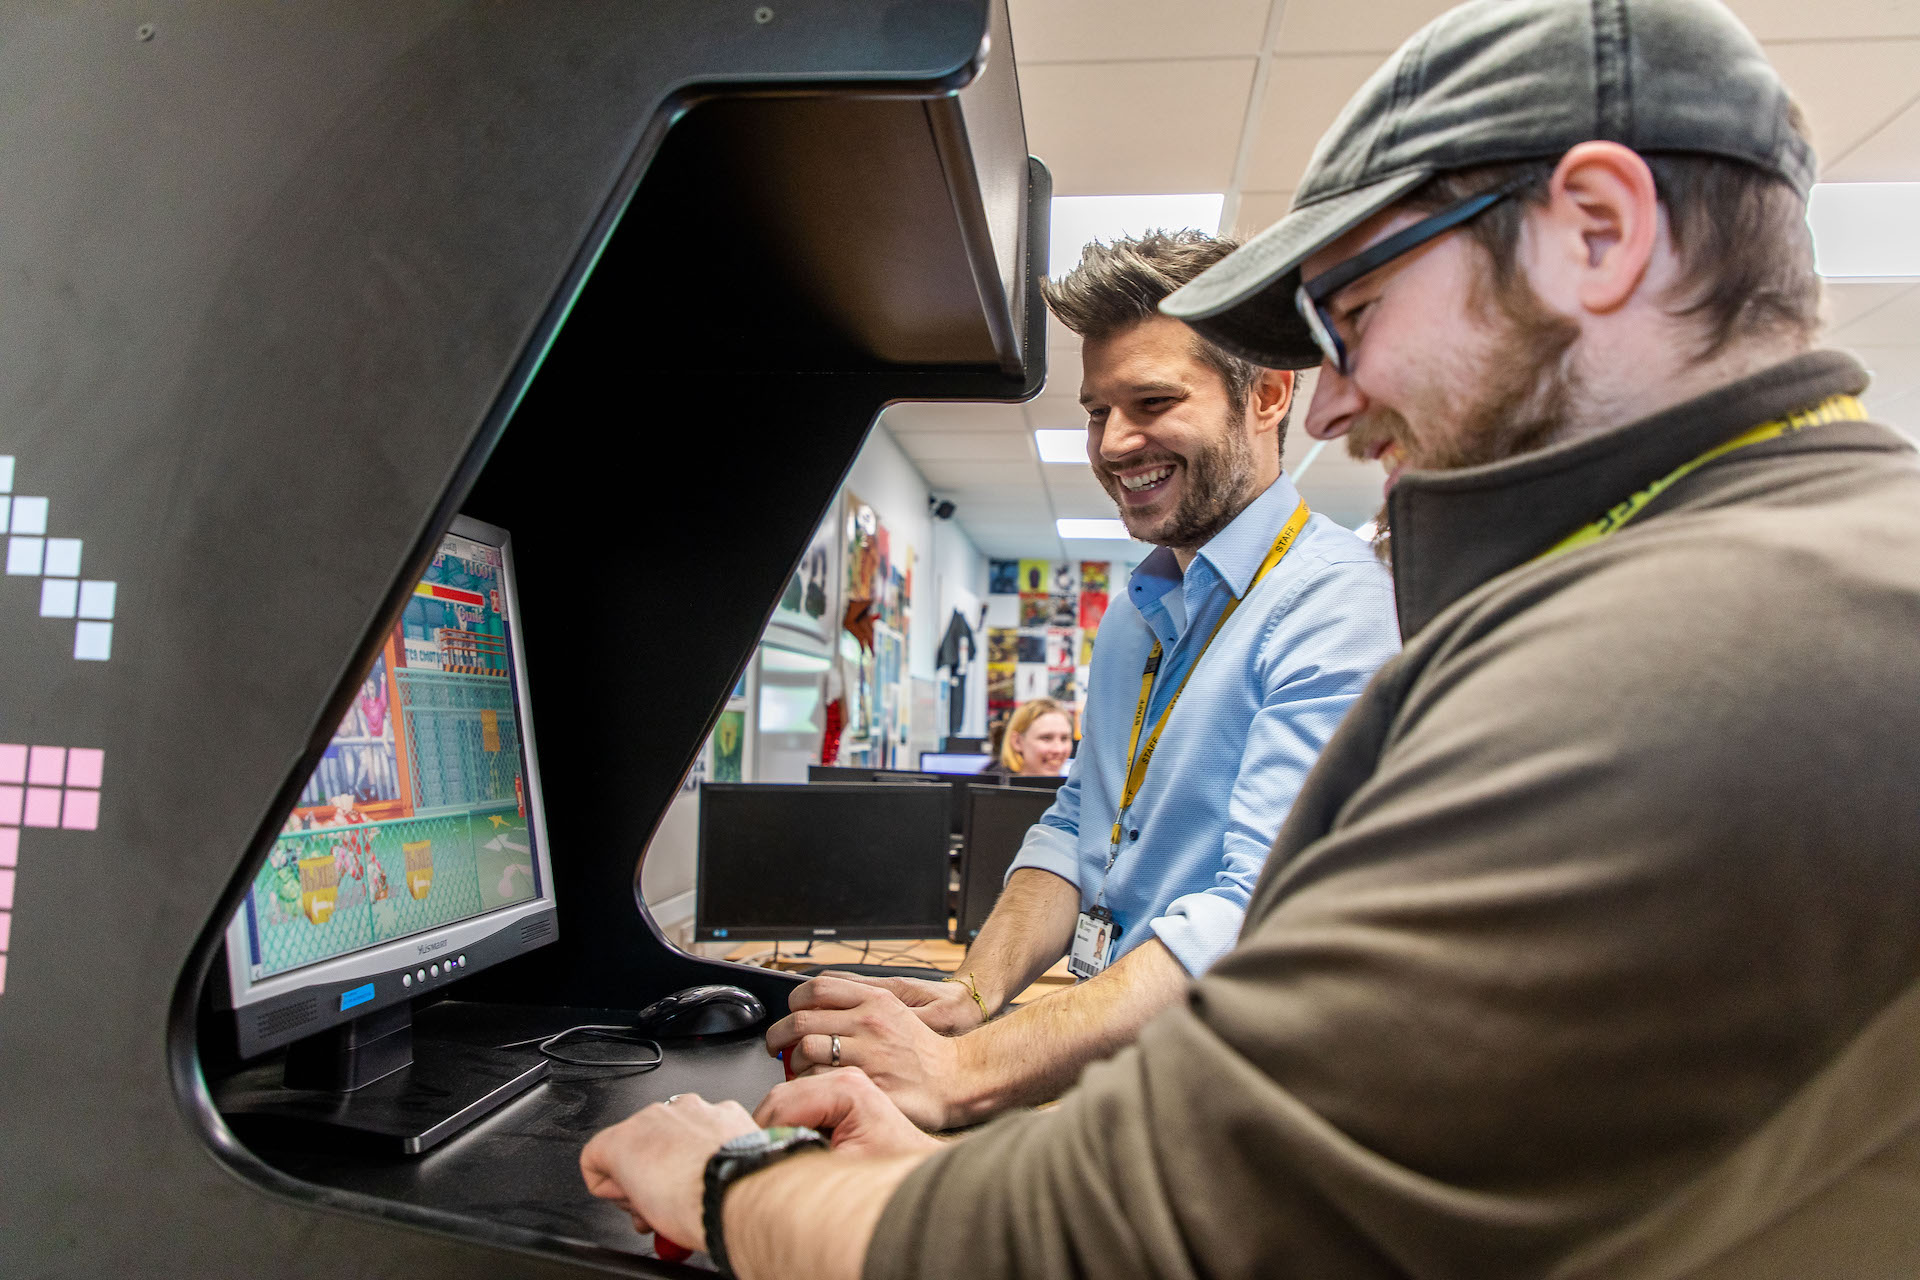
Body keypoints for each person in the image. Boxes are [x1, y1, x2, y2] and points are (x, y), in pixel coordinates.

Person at [579, 1, 1920, 1273]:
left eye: (1354, 314)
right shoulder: (1730, 574)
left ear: (1594, 229)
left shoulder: (1719, 650)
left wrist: (732, 1183)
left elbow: (1163, 1233)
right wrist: (974, 1035)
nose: (1333, 402)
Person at [762, 229, 1400, 1132]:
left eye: (1151, 400)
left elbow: (1259, 915)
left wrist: (964, 1071)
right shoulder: (1144, 604)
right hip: (1121, 1074)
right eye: (1098, 410)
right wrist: (970, 999)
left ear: (1266, 395)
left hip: (1233, 1106)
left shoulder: (1336, 607)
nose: (1114, 443)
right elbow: (1076, 829)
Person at [980, 697, 1073, 777]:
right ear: (1017, 742)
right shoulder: (986, 793)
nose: (1058, 749)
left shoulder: (1072, 792)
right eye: (1046, 738)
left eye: (1064, 738)